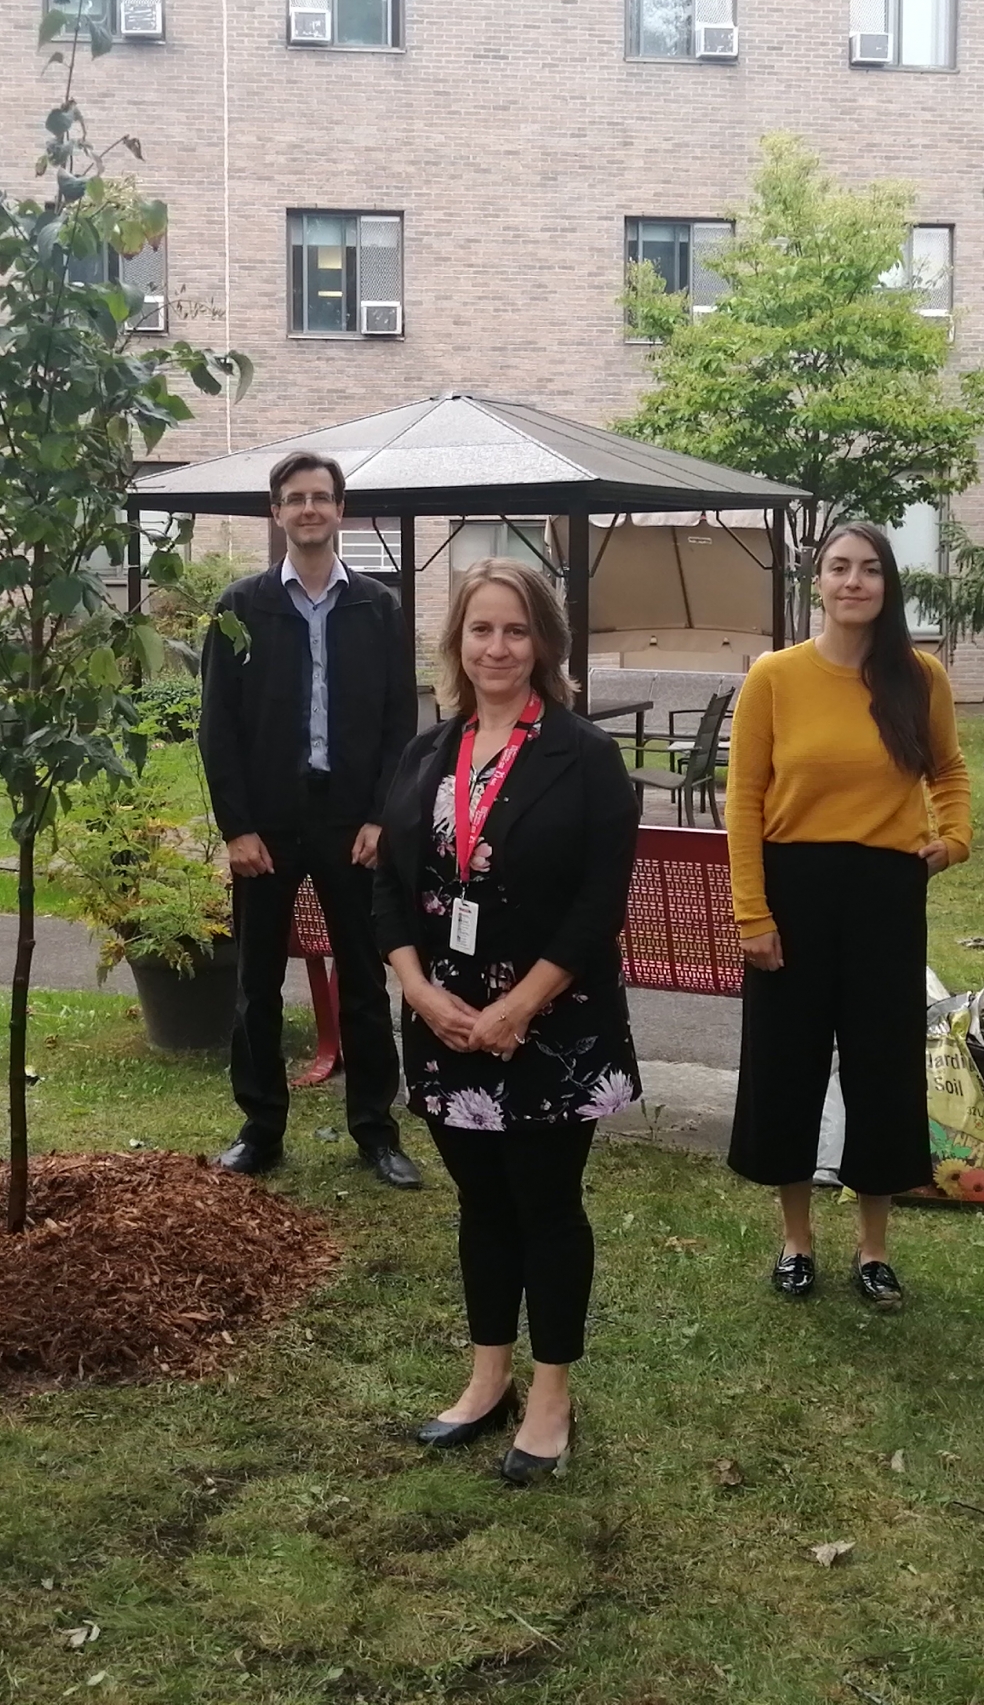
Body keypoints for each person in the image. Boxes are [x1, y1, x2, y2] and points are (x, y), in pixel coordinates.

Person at [374, 558, 639, 1483]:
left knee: (546, 1208)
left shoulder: (584, 757)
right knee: (481, 1206)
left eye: (516, 631)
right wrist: (415, 987)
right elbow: (390, 887)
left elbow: (600, 901)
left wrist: (518, 1007)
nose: (497, 647)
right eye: (481, 630)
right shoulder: (425, 754)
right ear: (457, 642)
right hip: (446, 1023)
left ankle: (552, 1393)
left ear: (545, 645)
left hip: (550, 1031)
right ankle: (488, 1379)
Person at [724, 522, 971, 1311]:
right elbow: (746, 798)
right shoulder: (774, 676)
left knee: (881, 1067)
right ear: (816, 582)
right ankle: (796, 1240)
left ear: (888, 584)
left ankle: (873, 1248)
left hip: (884, 895)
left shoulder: (918, 676)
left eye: (869, 569)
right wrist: (752, 911)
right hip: (793, 890)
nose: (854, 582)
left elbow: (949, 766)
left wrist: (954, 838)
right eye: (839, 568)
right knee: (787, 1064)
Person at [198, 451, 422, 1189]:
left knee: (366, 977)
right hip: (266, 824)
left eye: (321, 497)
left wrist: (382, 818)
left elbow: (400, 722)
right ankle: (260, 1129)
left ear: (340, 509)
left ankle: (375, 1131)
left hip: (351, 825)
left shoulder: (378, 607)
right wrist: (236, 827)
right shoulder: (241, 606)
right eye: (295, 498)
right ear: (277, 512)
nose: (308, 510)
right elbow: (218, 727)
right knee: (257, 983)